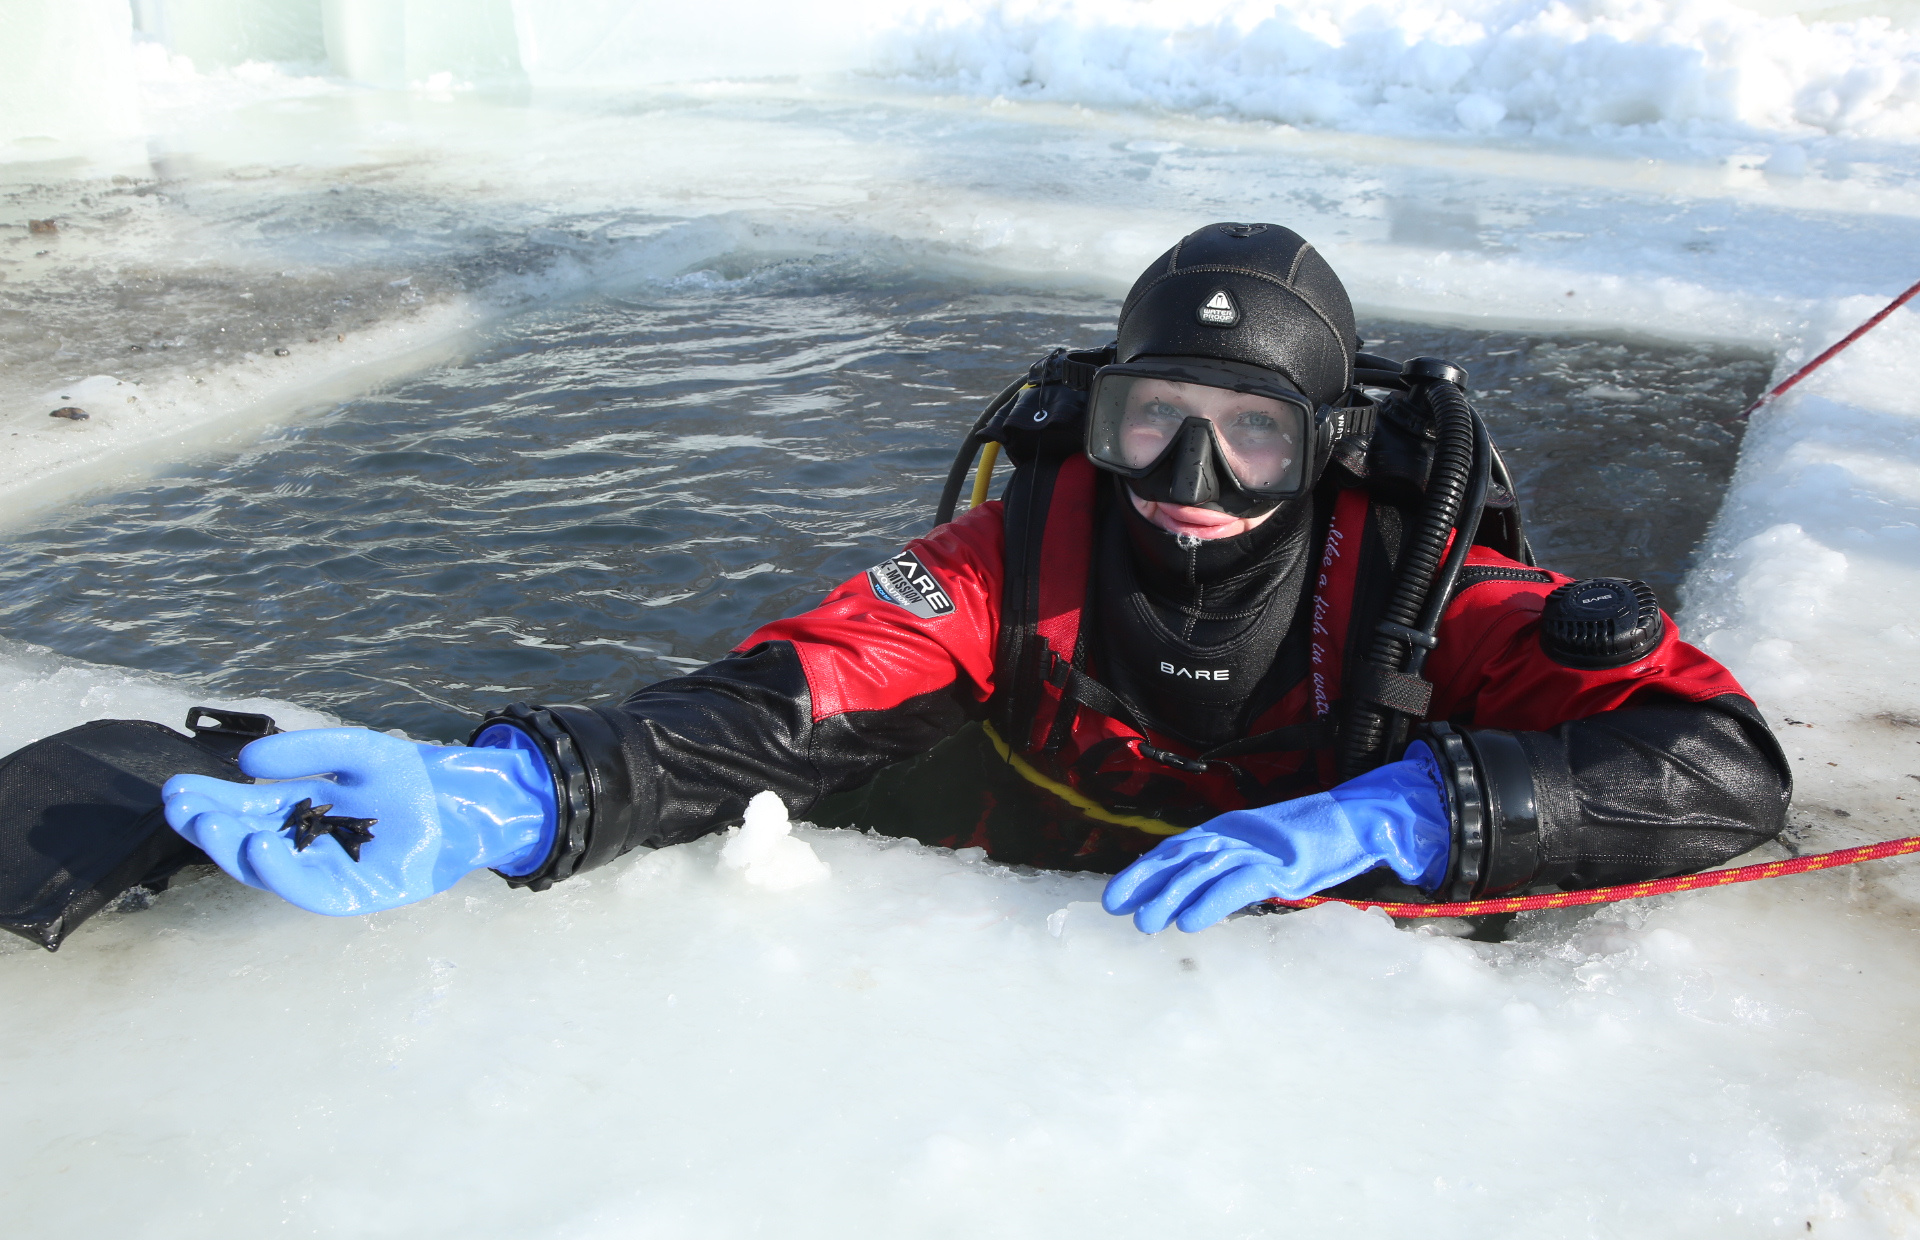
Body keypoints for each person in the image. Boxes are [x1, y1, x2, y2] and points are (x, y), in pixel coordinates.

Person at [161, 223, 1792, 934]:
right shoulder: (1013, 562)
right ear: (1097, 417)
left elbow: (1720, 763)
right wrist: (516, 789)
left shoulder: (1416, 599)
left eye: (1251, 440)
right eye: (1154, 424)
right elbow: (780, 707)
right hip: (1031, 956)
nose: (1194, 486)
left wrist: (1417, 809)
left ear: (1333, 448)